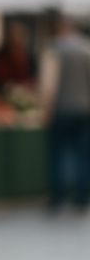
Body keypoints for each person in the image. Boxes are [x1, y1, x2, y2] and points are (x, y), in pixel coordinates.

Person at [39, 17, 90, 211]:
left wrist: (46, 110)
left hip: (61, 110)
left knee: (58, 154)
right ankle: (82, 197)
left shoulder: (54, 49)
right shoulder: (87, 49)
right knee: (83, 155)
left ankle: (58, 196)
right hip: (84, 110)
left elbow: (48, 85)